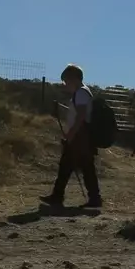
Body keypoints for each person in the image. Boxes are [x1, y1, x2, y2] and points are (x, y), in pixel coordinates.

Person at [40, 64, 102, 209]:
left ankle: (59, 197)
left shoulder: (80, 93)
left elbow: (80, 116)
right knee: (82, 167)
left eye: (66, 80)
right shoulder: (84, 92)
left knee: (71, 166)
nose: (65, 84)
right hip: (83, 136)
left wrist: (70, 135)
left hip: (80, 136)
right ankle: (92, 198)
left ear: (73, 78)